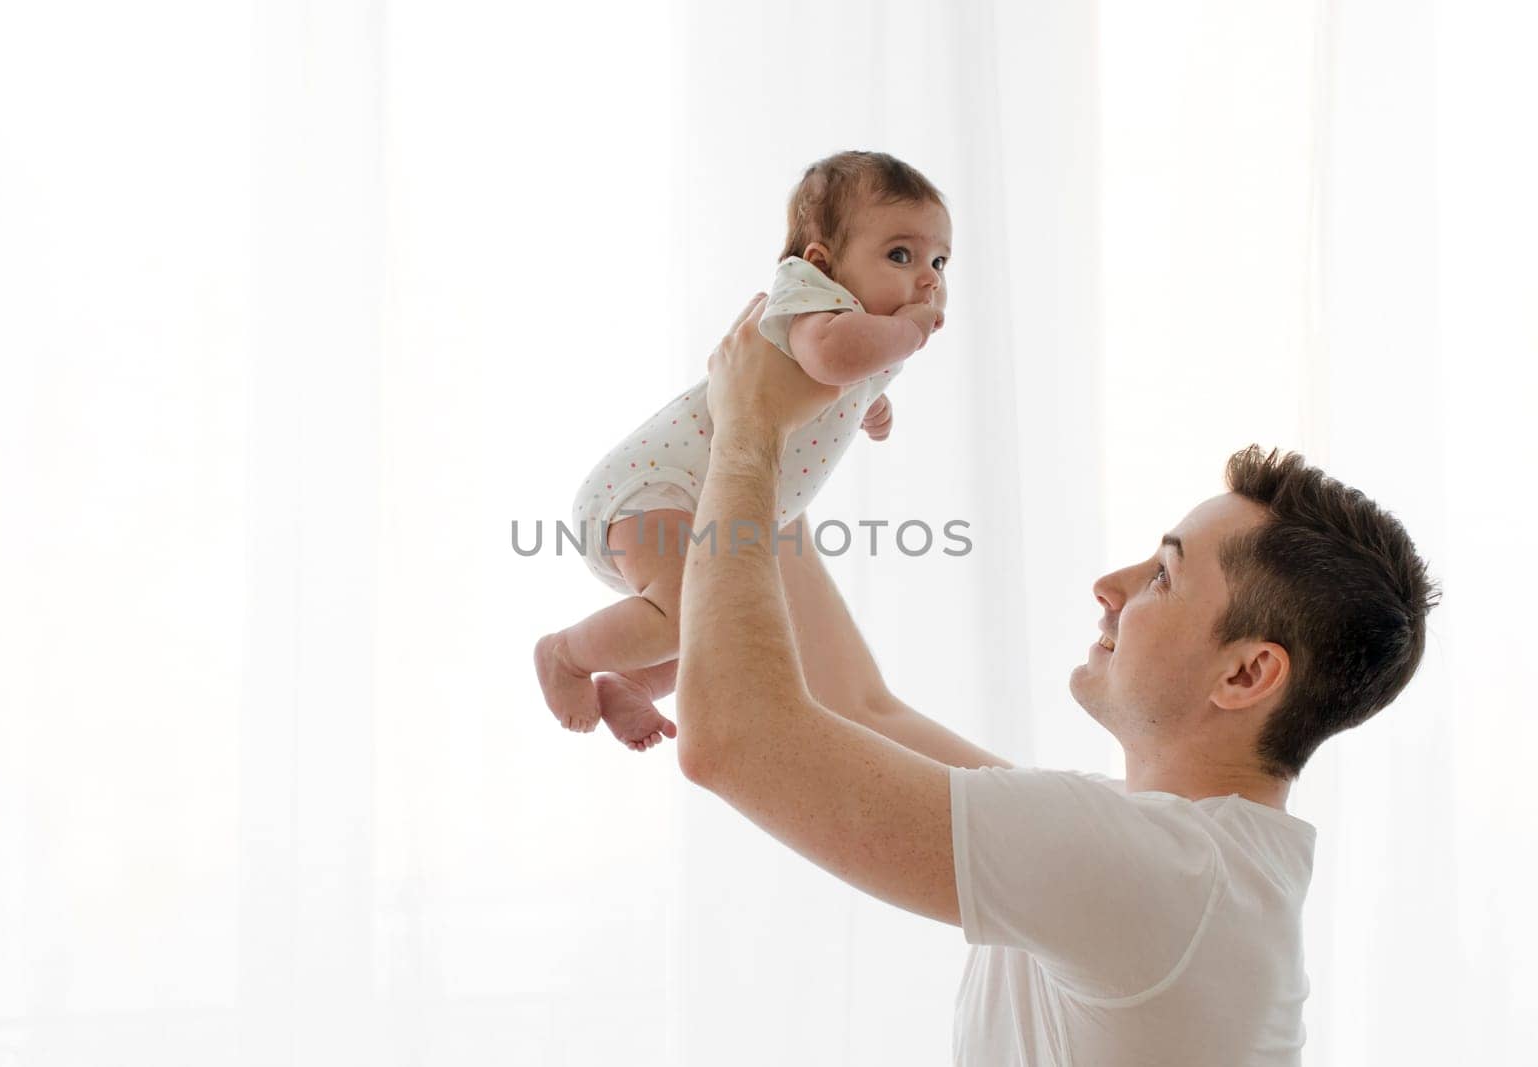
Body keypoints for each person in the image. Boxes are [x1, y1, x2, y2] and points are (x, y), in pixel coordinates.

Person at [675, 294, 1441, 1065]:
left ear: (1245, 673)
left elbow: (735, 741)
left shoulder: (1158, 874)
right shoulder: (1170, 858)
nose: (1112, 585)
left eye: (1165, 576)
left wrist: (747, 439)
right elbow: (860, 707)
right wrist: (778, 453)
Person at [533, 150, 951, 751]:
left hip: (705, 507)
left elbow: (842, 380)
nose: (929, 278)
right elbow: (829, 357)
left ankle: (630, 682)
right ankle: (566, 654)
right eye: (901, 255)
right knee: (685, 610)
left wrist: (869, 406)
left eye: (939, 260)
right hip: (653, 489)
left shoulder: (865, 334)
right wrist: (908, 333)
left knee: (718, 624)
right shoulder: (810, 300)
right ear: (822, 262)